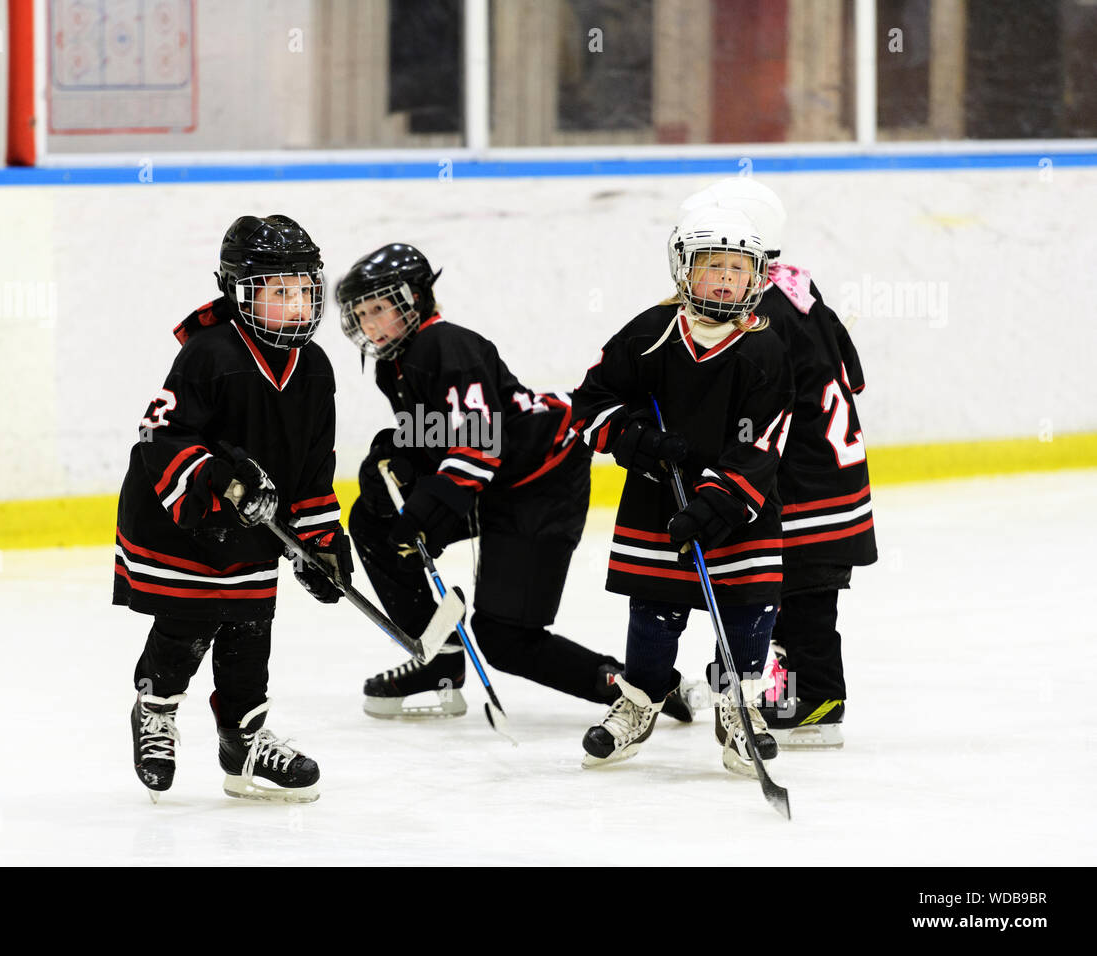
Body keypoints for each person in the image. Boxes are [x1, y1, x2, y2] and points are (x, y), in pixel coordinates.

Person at [336, 243, 652, 719]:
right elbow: (443, 431)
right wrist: (399, 454)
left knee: (507, 639)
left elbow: (478, 442)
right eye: (361, 314)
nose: (370, 325)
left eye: (379, 308)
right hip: (498, 480)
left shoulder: (447, 345)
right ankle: (438, 658)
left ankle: (639, 690)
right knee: (373, 518)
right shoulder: (395, 362)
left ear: (414, 299)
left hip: (543, 479)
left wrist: (430, 509)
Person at [114, 214, 352, 803]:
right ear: (239, 292)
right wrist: (218, 478)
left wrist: (321, 540)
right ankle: (156, 708)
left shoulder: (315, 368)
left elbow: (313, 466)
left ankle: (242, 742)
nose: (295, 305)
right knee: (190, 618)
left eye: (303, 291)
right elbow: (159, 437)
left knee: (250, 625)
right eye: (278, 292)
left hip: (255, 523)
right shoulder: (209, 355)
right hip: (182, 519)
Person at [570, 205, 794, 777]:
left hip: (739, 510)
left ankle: (739, 710)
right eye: (711, 265)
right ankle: (641, 701)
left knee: (748, 610)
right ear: (684, 270)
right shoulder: (650, 333)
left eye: (738, 269)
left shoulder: (765, 348)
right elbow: (590, 404)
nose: (724, 278)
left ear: (758, 276)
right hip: (656, 501)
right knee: (654, 609)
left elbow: (765, 440)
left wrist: (719, 500)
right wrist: (634, 440)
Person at [681, 179, 876, 748]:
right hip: (829, 476)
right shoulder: (797, 291)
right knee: (797, 596)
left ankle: (813, 703)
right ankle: (789, 692)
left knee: (800, 598)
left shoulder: (764, 312)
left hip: (805, 486)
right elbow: (853, 378)